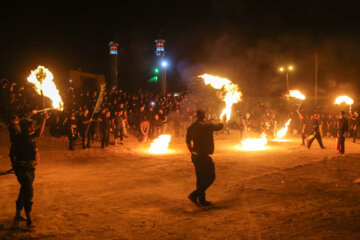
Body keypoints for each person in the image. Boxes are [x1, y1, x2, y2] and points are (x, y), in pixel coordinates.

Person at [13, 112, 47, 228]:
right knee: (29, 192)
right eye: (30, 126)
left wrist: (37, 160)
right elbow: (38, 133)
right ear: (25, 128)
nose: (32, 127)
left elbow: (36, 151)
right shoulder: (21, 138)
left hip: (30, 169)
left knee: (23, 191)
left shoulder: (30, 139)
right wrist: (44, 120)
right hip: (23, 170)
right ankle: (29, 220)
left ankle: (17, 214)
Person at [186, 110, 224, 206]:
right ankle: (194, 195)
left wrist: (192, 152)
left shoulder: (191, 127)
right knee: (211, 177)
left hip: (195, 155)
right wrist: (223, 120)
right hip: (203, 156)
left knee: (200, 178)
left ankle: (202, 200)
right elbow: (220, 126)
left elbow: (187, 142)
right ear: (205, 116)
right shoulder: (207, 125)